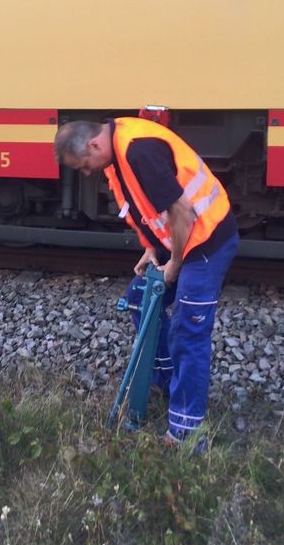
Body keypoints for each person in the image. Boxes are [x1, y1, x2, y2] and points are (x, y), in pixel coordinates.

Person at [54, 117, 239, 448]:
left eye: (84, 165)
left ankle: (187, 433)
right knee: (140, 299)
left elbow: (182, 212)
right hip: (182, 239)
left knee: (188, 330)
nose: (87, 173)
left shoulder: (139, 152)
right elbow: (142, 205)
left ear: (93, 145)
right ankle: (168, 383)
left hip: (207, 240)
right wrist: (152, 247)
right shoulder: (116, 150)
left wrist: (175, 263)